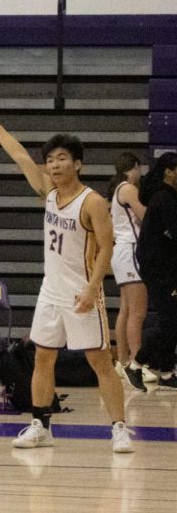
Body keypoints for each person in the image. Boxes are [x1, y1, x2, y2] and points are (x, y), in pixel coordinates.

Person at [0, 100, 132, 453]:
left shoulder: (92, 202)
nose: (55, 164)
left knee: (100, 362)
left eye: (62, 158)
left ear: (77, 164)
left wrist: (93, 289)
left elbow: (106, 247)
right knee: (42, 358)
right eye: (51, 159)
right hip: (51, 292)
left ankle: (119, 427)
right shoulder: (48, 192)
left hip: (83, 292)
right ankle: (41, 425)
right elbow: (19, 157)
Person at [106, 153, 149, 392]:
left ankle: (123, 362)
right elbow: (146, 217)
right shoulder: (128, 188)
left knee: (126, 310)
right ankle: (136, 364)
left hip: (122, 251)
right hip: (131, 250)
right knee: (138, 313)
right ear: (136, 167)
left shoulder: (117, 189)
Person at [135, 152, 177, 390]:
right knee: (169, 321)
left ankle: (167, 372)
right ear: (169, 171)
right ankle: (136, 363)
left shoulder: (167, 197)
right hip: (159, 269)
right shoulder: (163, 198)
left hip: (164, 267)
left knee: (172, 320)